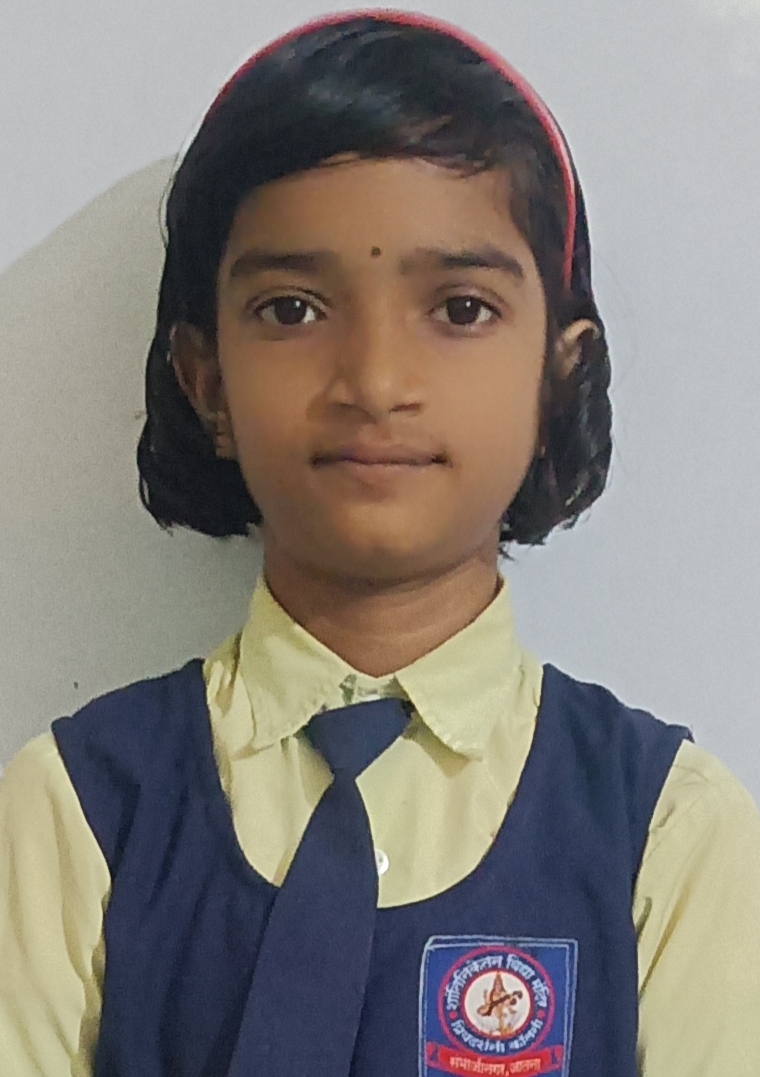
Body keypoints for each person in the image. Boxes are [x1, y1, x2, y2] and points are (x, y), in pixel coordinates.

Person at [1, 10, 759, 1077]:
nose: (375, 380)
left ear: (557, 375)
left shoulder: (669, 831)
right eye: (292, 309)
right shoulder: (76, 812)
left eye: (460, 308)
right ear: (205, 379)